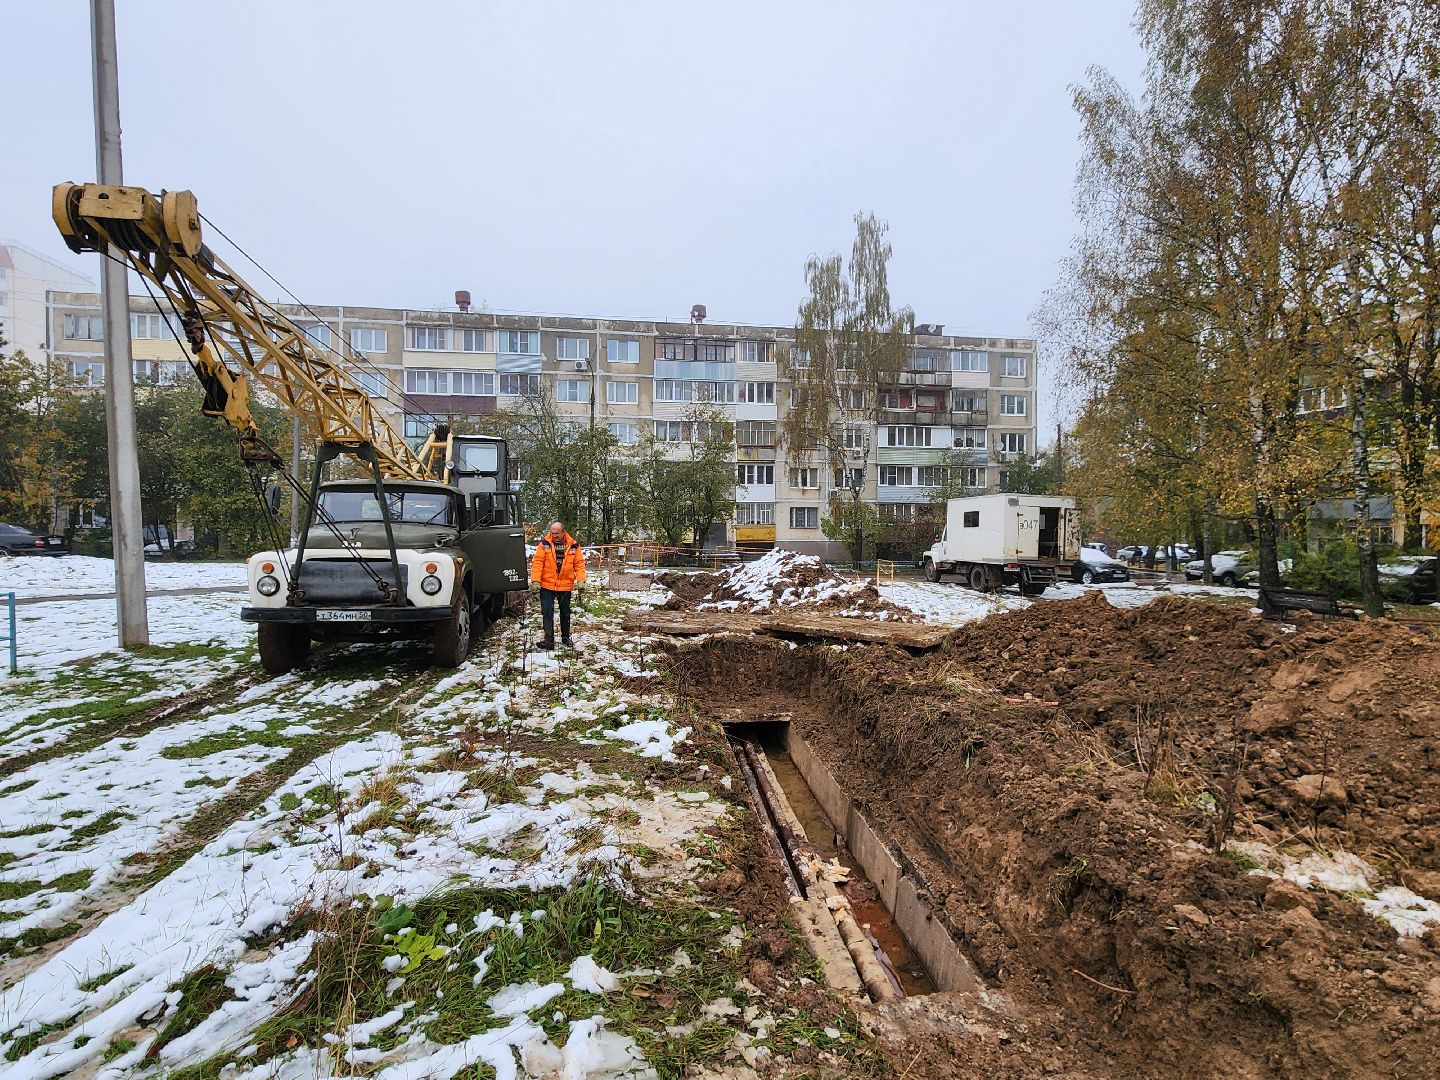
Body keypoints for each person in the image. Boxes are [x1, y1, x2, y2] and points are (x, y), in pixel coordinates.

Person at [530, 519, 586, 650]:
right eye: (552, 532)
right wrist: (535, 581)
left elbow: (579, 564)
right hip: (547, 585)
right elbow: (538, 563)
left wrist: (581, 580)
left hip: (565, 585)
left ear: (563, 532)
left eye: (557, 533)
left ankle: (565, 637)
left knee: (565, 612)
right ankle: (549, 641)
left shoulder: (574, 545)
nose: (554, 535)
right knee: (547, 612)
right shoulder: (544, 544)